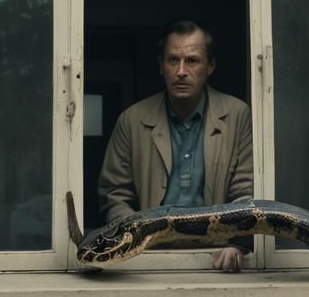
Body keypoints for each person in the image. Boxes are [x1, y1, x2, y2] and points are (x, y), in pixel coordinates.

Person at [98, 20, 253, 271]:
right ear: (161, 65)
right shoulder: (132, 119)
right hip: (148, 257)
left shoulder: (237, 115)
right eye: (173, 60)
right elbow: (114, 195)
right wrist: (133, 241)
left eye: (192, 61)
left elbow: (245, 192)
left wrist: (238, 243)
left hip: (217, 255)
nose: (181, 71)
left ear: (210, 66)